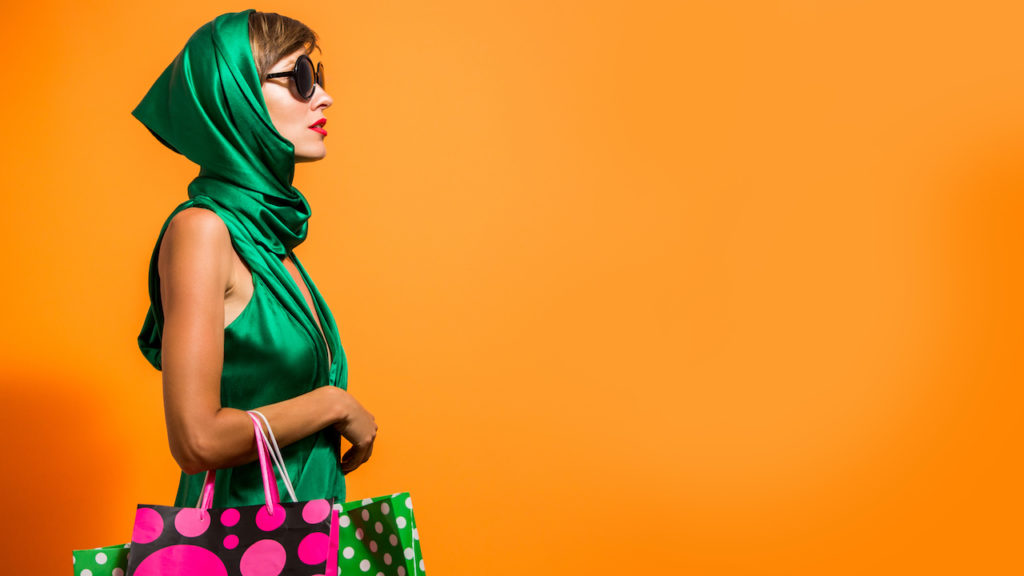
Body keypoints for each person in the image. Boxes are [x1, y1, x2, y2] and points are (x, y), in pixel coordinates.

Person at [132, 9, 376, 509]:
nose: (324, 97)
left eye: (320, 77)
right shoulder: (202, 231)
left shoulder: (269, 243)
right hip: (245, 550)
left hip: (308, 541)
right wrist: (333, 404)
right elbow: (196, 440)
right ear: (234, 95)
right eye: (301, 78)